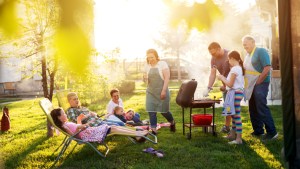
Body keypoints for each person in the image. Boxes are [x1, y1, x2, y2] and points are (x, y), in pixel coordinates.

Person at [242, 35, 278, 140]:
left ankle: (272, 132)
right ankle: (258, 130)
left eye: (246, 43)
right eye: (243, 44)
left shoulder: (261, 51)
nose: (244, 46)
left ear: (253, 42)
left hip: (260, 83)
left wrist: (259, 81)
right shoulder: (247, 55)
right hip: (251, 84)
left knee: (260, 105)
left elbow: (267, 67)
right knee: (252, 106)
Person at [51, 108, 148, 143]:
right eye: (63, 113)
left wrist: (79, 121)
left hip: (90, 131)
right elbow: (74, 135)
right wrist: (80, 126)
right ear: (59, 117)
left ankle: (137, 133)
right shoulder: (65, 126)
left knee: (115, 127)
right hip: (89, 135)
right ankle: (137, 134)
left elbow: (77, 128)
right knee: (114, 128)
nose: (65, 114)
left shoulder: (66, 123)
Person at [144, 48, 176, 135]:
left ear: (156, 56)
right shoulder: (147, 66)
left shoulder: (162, 64)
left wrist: (164, 91)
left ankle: (172, 122)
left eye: (152, 57)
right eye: (148, 57)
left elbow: (166, 78)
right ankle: (154, 130)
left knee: (164, 111)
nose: (150, 59)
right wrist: (145, 79)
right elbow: (146, 81)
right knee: (151, 110)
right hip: (151, 91)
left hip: (162, 90)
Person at [217, 51, 245, 144]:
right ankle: (233, 135)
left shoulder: (235, 69)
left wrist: (222, 78)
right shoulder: (238, 68)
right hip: (235, 93)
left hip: (235, 93)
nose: (228, 61)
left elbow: (230, 84)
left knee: (236, 116)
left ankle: (239, 139)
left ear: (232, 58)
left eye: (229, 59)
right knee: (233, 114)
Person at [203, 42, 231, 133]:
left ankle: (232, 128)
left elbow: (236, 71)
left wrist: (228, 85)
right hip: (225, 85)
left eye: (214, 53)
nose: (213, 55)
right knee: (227, 106)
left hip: (233, 86)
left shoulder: (229, 55)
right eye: (211, 54)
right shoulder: (213, 59)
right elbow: (213, 74)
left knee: (231, 107)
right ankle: (227, 127)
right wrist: (209, 87)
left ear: (219, 48)